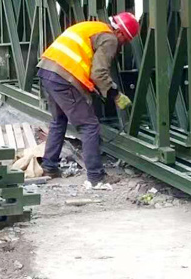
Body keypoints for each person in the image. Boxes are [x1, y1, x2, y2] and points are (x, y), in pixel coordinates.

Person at [37, 12, 139, 186]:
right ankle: (96, 177)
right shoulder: (110, 39)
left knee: (59, 120)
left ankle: (50, 167)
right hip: (63, 77)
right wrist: (115, 94)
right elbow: (98, 73)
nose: (122, 44)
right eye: (125, 40)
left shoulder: (94, 27)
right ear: (121, 33)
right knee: (89, 126)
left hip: (47, 70)